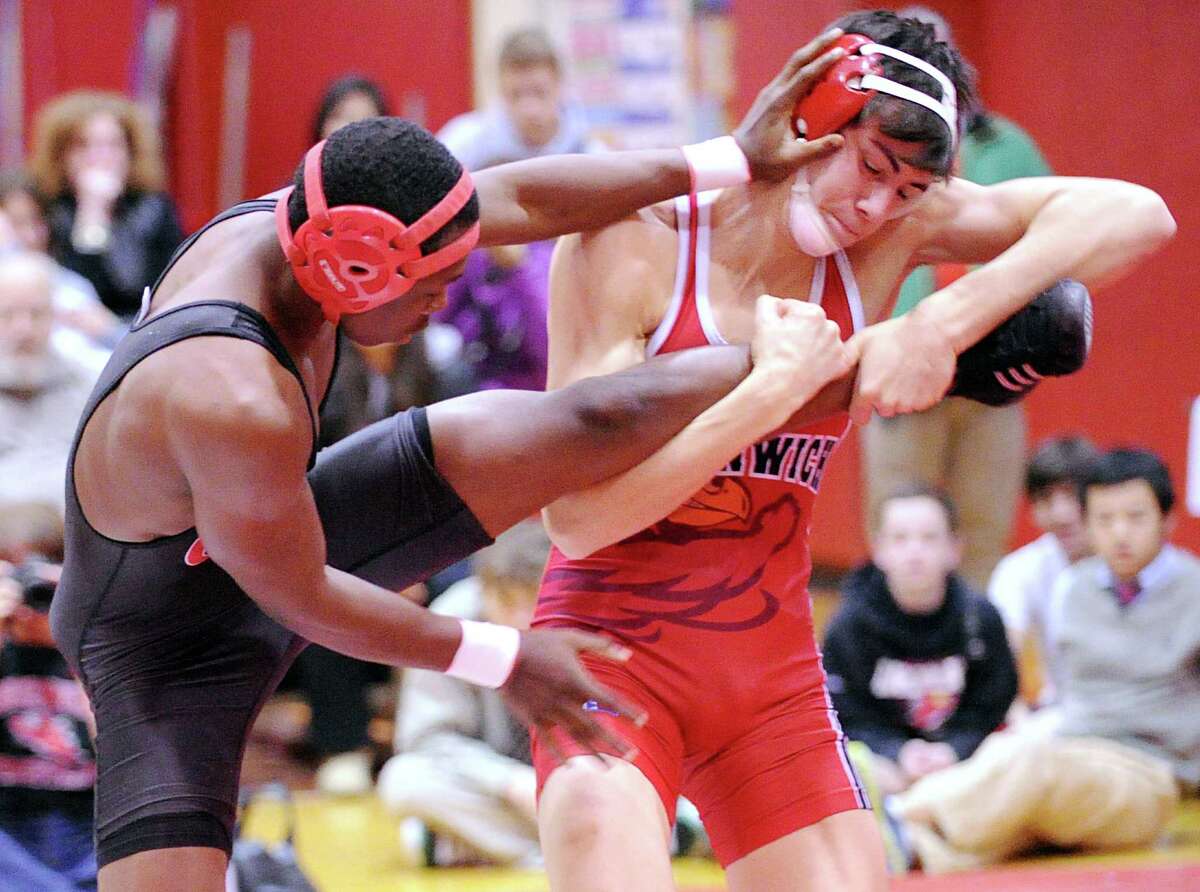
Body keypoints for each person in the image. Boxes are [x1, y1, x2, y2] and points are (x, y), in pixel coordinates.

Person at [50, 41, 854, 891]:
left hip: (276, 531)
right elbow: (300, 594)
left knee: (592, 417)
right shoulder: (231, 393)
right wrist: (503, 658)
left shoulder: (327, 223)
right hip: (161, 640)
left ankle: (826, 364)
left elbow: (520, 197)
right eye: (432, 285)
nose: (443, 305)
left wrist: (730, 159)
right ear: (358, 271)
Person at [530, 10, 1173, 892]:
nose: (875, 206)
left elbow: (1139, 216)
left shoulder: (884, 238)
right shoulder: (637, 237)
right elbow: (577, 519)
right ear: (812, 114)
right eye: (870, 167)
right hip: (610, 659)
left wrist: (941, 321)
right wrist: (767, 397)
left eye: (909, 190)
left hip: (771, 681)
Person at [889, 447, 1198, 873]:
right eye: (1104, 519)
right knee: (1012, 784)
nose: (1120, 532)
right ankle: (909, 847)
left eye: (1135, 517)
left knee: (1034, 769)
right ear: (1088, 524)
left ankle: (894, 815)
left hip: (1152, 775)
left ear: (1167, 520)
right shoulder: (1075, 586)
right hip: (1071, 749)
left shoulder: (1193, 589)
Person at [861, 5, 1056, 590]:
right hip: (903, 360)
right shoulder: (872, 148)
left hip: (992, 365)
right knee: (899, 520)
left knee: (984, 524)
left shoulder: (1005, 145)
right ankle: (891, 636)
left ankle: (973, 639)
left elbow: (1053, 239)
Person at [823, 483, 1016, 798]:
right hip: (884, 765)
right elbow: (845, 714)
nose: (914, 552)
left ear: (955, 549)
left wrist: (953, 750)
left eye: (929, 538)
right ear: (878, 549)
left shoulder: (981, 618)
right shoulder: (849, 626)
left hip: (963, 763)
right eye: (900, 539)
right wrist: (897, 751)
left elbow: (992, 705)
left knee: (1018, 751)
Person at [377, 519, 550, 868]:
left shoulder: (589, 614)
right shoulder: (452, 619)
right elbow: (427, 740)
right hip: (500, 785)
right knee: (404, 780)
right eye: (507, 602)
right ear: (483, 590)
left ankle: (456, 847)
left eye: (533, 601)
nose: (521, 619)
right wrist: (510, 782)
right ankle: (566, 849)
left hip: (580, 780)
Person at [0, 502, 97, 891]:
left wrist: (77, 638)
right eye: (12, 571)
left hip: (88, 830)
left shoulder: (94, 647)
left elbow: (121, 746)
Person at [29, 91, 184, 320]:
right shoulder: (44, 207)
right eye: (83, 146)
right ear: (60, 155)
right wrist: (92, 213)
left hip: (141, 327)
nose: (100, 157)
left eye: (113, 145)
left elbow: (153, 287)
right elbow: (78, 293)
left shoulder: (154, 207)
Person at [988, 435, 1101, 708]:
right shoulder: (1020, 570)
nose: (1061, 514)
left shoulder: (1131, 564)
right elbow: (1000, 656)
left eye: (1072, 496)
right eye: (1046, 499)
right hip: (1060, 713)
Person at [0, 252, 100, 509]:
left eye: (36, 314)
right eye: (7, 315)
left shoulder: (89, 383)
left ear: (55, 316)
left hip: (69, 524)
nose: (24, 329)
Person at [0, 169, 120, 365]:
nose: (31, 236)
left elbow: (117, 352)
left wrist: (108, 331)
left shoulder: (73, 288)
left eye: (37, 221)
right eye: (17, 223)